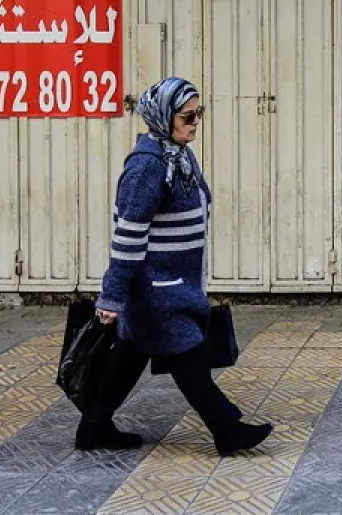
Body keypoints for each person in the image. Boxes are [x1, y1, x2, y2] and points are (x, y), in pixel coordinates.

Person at [76, 76, 274, 454]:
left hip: (175, 282)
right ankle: (227, 429)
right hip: (156, 289)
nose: (195, 122)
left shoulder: (178, 157)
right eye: (187, 116)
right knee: (189, 357)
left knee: (131, 354)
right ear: (163, 116)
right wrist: (111, 296)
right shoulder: (147, 168)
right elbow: (128, 235)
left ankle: (93, 427)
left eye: (198, 114)